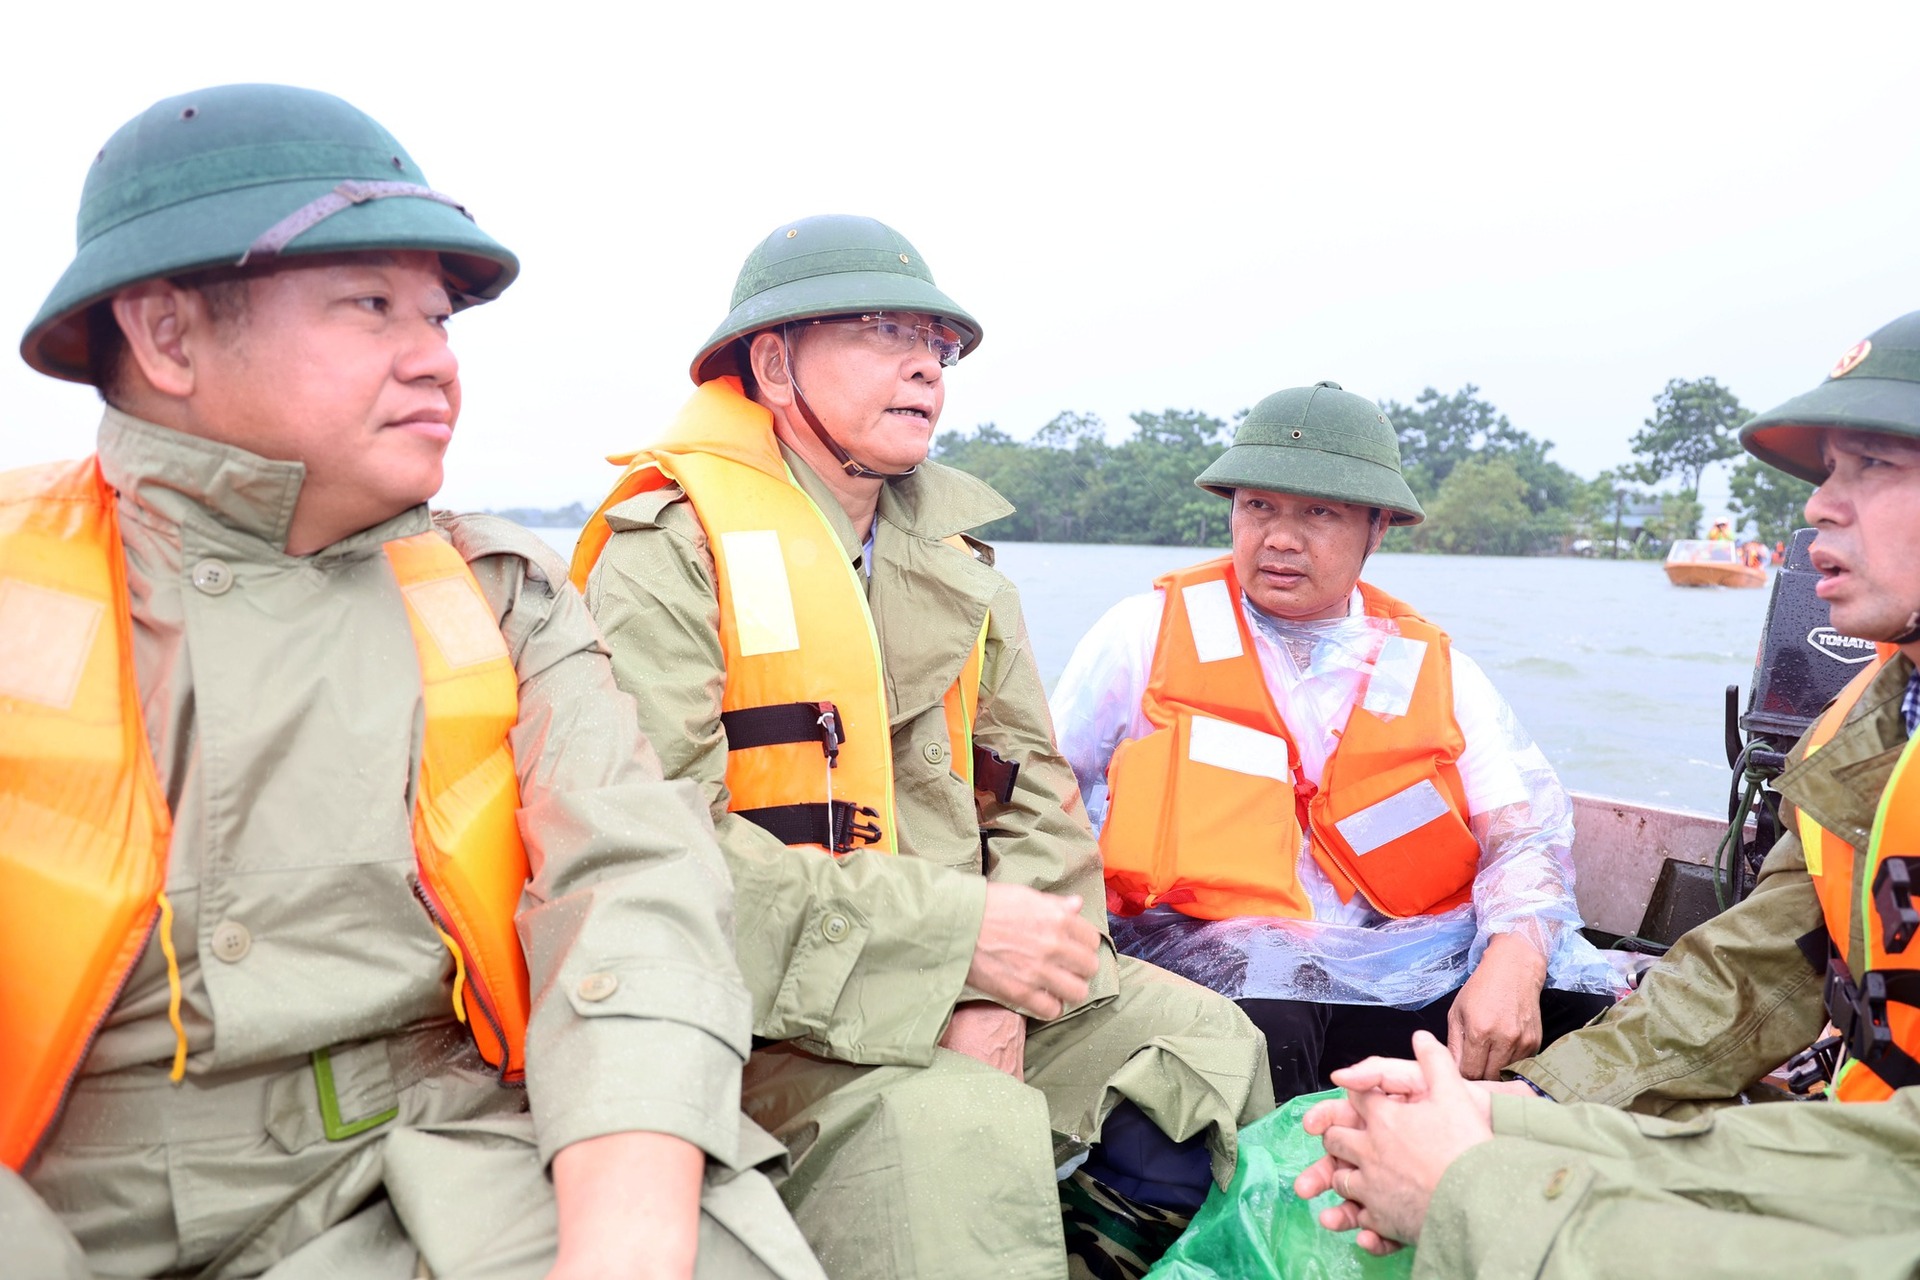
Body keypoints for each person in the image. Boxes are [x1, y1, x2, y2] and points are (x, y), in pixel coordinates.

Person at [0, 85, 821, 1280]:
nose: (433, 358)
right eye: (370, 304)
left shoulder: (502, 592)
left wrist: (626, 1247)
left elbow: (637, 890)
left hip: (449, 1158)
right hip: (76, 1195)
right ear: (168, 335)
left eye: (439, 318)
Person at [572, 214, 1273, 1279]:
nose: (925, 366)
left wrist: (998, 985)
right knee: (945, 1130)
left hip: (962, 967)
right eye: (881, 330)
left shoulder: (958, 564)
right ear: (772, 363)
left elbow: (1039, 803)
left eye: (936, 344)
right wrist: (946, 955)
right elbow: (660, 854)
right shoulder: (669, 555)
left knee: (1207, 1045)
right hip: (763, 1010)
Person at [1296, 310, 1920, 1275]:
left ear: (1378, 532)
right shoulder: (1879, 730)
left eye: (1872, 466)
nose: (1816, 511)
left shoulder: (1431, 667)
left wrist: (1487, 1181)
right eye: (1825, 473)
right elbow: (1749, 972)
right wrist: (1528, 1109)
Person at [1049, 383, 1620, 1105]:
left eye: (1320, 512)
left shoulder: (1436, 669)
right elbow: (1042, 795)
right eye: (1259, 507)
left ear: (1377, 530)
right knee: (1271, 1017)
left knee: (1586, 1015)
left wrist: (1511, 964)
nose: (1281, 538)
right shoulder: (1141, 634)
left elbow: (1524, 837)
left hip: (1391, 966)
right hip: (1206, 965)